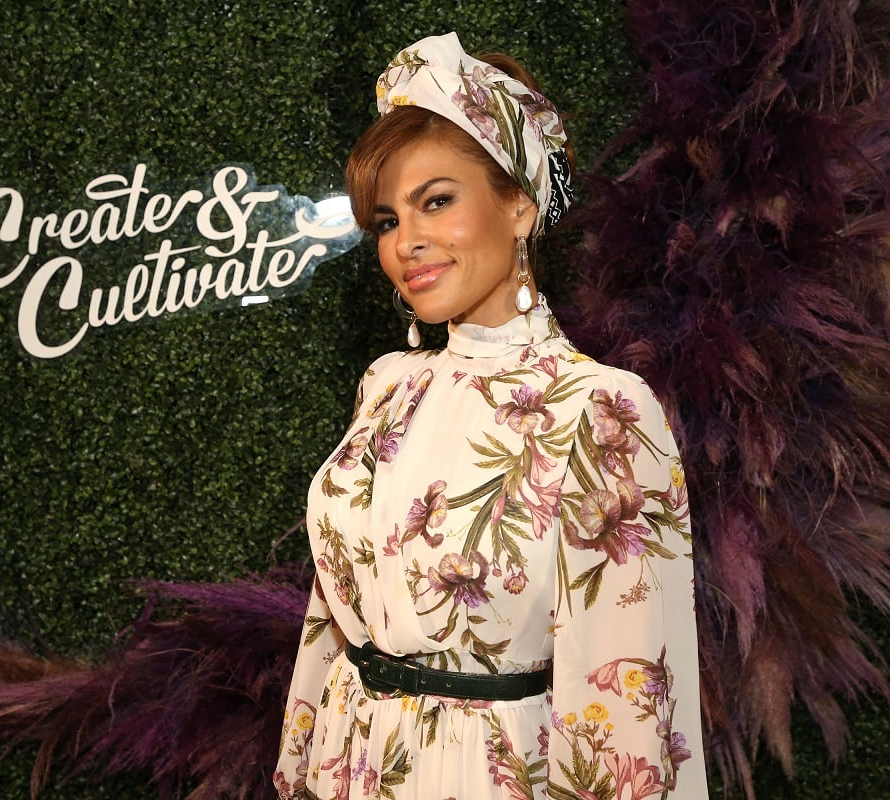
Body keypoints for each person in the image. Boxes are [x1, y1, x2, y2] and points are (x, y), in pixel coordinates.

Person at [272, 31, 707, 799]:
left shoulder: (602, 411)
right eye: (385, 220)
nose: (408, 241)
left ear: (518, 207)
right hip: (353, 764)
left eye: (436, 200)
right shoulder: (386, 387)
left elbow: (628, 703)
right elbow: (329, 624)